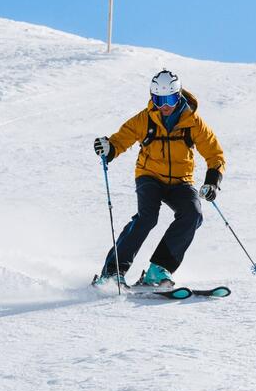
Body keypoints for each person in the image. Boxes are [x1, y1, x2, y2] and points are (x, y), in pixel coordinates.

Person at [92, 69, 226, 286]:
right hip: (149, 175)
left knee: (193, 215)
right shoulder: (145, 119)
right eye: (159, 99)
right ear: (152, 97)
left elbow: (214, 153)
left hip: (181, 181)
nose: (165, 105)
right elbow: (121, 139)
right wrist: (109, 148)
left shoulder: (193, 123)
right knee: (147, 217)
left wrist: (212, 181)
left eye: (171, 99)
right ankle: (112, 272)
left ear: (179, 95)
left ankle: (159, 268)